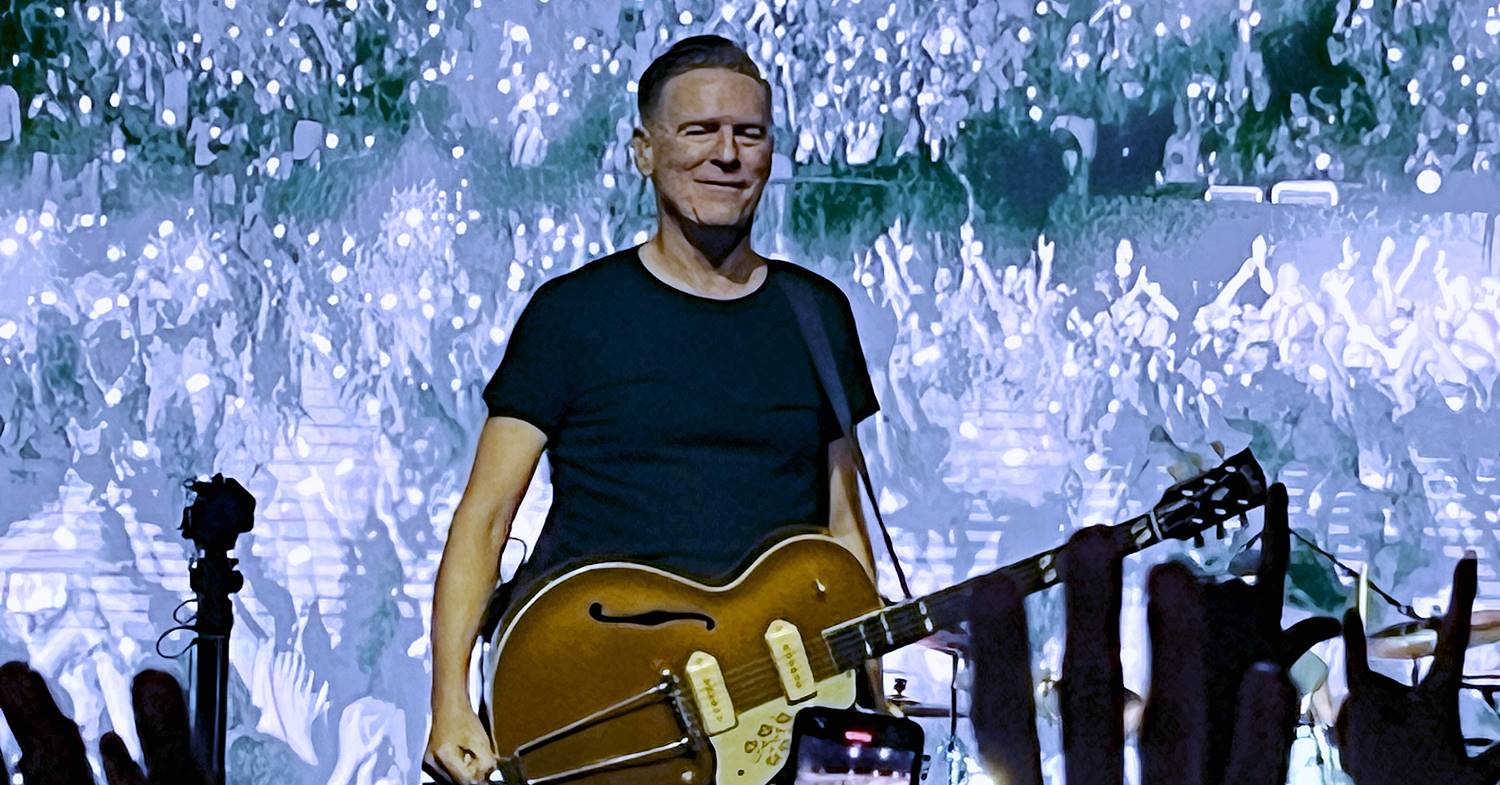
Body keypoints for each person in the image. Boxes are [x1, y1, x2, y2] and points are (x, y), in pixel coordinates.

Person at [424, 35, 883, 785]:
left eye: (749, 133)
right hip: (601, 700)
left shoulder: (817, 314)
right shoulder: (574, 314)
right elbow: (484, 517)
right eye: (700, 130)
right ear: (645, 151)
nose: (727, 154)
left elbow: (844, 530)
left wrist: (870, 699)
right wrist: (448, 700)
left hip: (772, 717)